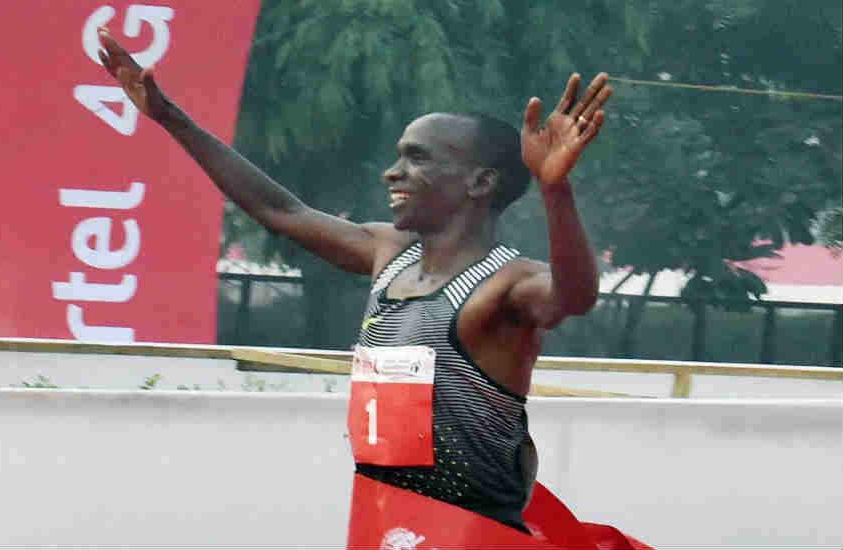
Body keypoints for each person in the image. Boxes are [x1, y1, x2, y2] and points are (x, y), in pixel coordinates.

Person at [97, 27, 617, 541]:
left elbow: (575, 296)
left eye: (418, 158)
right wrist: (170, 118)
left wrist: (556, 189)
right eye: (398, 155)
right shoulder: (387, 252)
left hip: (470, 535)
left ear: (480, 183)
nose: (392, 173)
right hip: (382, 523)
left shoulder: (506, 283)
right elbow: (279, 209)